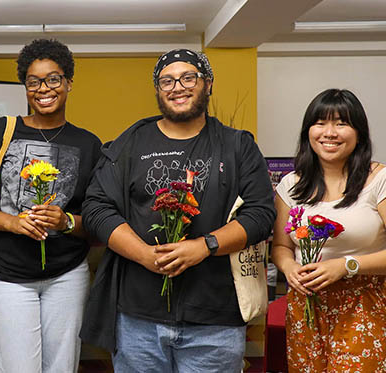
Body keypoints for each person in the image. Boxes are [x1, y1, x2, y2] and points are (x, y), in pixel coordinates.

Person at [81, 49, 275, 372]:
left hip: (215, 320)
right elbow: (97, 207)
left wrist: (204, 247)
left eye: (188, 77)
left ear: (207, 84)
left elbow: (260, 214)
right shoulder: (130, 143)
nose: (177, 87)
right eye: (166, 80)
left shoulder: (237, 146)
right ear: (158, 90)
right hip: (137, 320)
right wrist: (144, 254)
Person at [0, 39, 102, 373]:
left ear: (68, 82)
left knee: (62, 368)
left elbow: (96, 218)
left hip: (67, 275)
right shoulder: (0, 132)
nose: (44, 89)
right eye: (34, 81)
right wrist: (12, 223)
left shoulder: (89, 143)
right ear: (25, 87)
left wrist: (66, 221)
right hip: (8, 275)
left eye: (53, 79)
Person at [272, 89, 386, 372]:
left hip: (364, 303)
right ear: (308, 131)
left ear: (359, 132)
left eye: (341, 123)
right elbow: (281, 247)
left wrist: (347, 265)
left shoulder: (379, 179)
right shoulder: (291, 185)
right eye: (320, 123)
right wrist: (289, 269)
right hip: (305, 306)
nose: (329, 132)